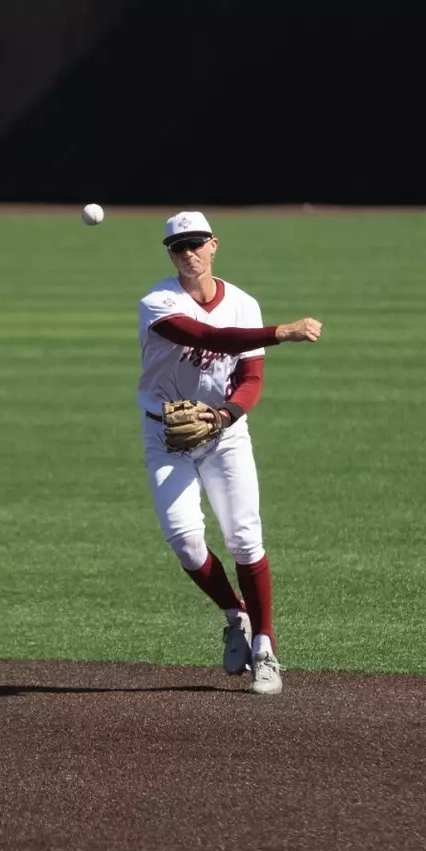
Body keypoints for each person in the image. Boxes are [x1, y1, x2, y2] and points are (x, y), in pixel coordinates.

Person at [136, 211, 323, 696]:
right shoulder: (157, 301)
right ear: (170, 253)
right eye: (179, 247)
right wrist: (281, 331)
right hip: (166, 435)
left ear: (214, 245)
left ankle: (265, 647)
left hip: (225, 434)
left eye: (197, 243)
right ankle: (233, 613)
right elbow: (205, 337)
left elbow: (251, 378)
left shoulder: (243, 303)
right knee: (186, 542)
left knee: (244, 539)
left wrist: (223, 417)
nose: (189, 253)